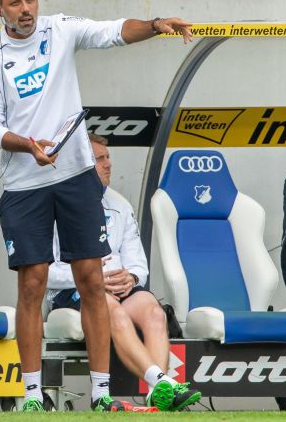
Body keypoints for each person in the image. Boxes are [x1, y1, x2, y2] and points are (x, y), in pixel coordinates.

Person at [0, 0, 192, 412]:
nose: (26, 9)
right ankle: (31, 396)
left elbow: (113, 32)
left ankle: (102, 393)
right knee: (31, 285)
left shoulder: (60, 29)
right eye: (15, 3)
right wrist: (27, 145)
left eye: (30, 0)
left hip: (75, 178)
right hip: (24, 183)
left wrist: (153, 25)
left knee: (92, 280)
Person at [47, 134, 202, 411]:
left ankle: (158, 395)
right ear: (80, 165)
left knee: (154, 311)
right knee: (111, 309)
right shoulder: (56, 205)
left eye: (108, 157)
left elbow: (138, 263)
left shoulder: (120, 204)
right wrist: (91, 279)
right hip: (76, 288)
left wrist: (131, 277)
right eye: (99, 159)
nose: (108, 165)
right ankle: (163, 380)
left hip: (119, 286)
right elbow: (44, 273)